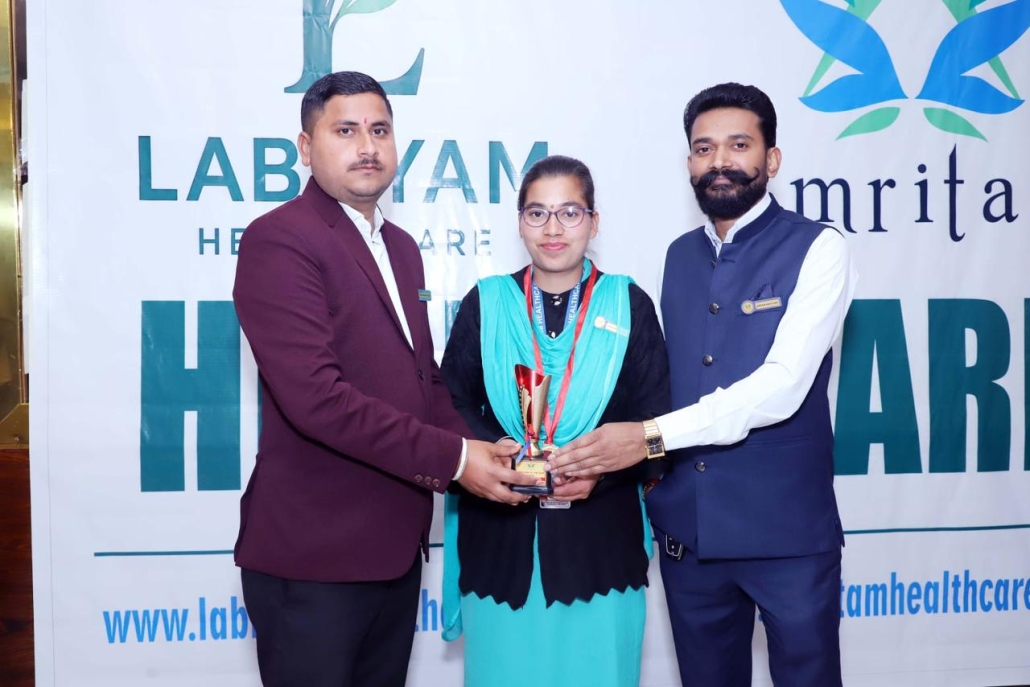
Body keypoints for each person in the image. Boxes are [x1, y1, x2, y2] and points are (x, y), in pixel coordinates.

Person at [547, 83, 858, 686]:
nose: (719, 161)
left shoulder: (820, 248)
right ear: (689, 162)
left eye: (739, 145)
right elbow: (666, 382)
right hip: (689, 539)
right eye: (703, 148)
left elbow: (782, 387)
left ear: (772, 158)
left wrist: (648, 438)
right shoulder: (679, 254)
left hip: (787, 536)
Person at [232, 71, 536, 687]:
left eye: (379, 130)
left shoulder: (399, 246)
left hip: (394, 553)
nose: (367, 146)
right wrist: (457, 460)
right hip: (314, 559)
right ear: (305, 147)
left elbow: (423, 380)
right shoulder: (280, 239)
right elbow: (318, 401)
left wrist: (486, 450)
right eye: (345, 131)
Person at [439, 155, 670, 687]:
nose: (553, 228)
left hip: (601, 549)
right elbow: (447, 405)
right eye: (537, 213)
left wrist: (599, 472)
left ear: (594, 221)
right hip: (500, 546)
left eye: (569, 212)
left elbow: (658, 429)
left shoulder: (629, 304)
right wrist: (496, 454)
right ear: (520, 223)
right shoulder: (487, 303)